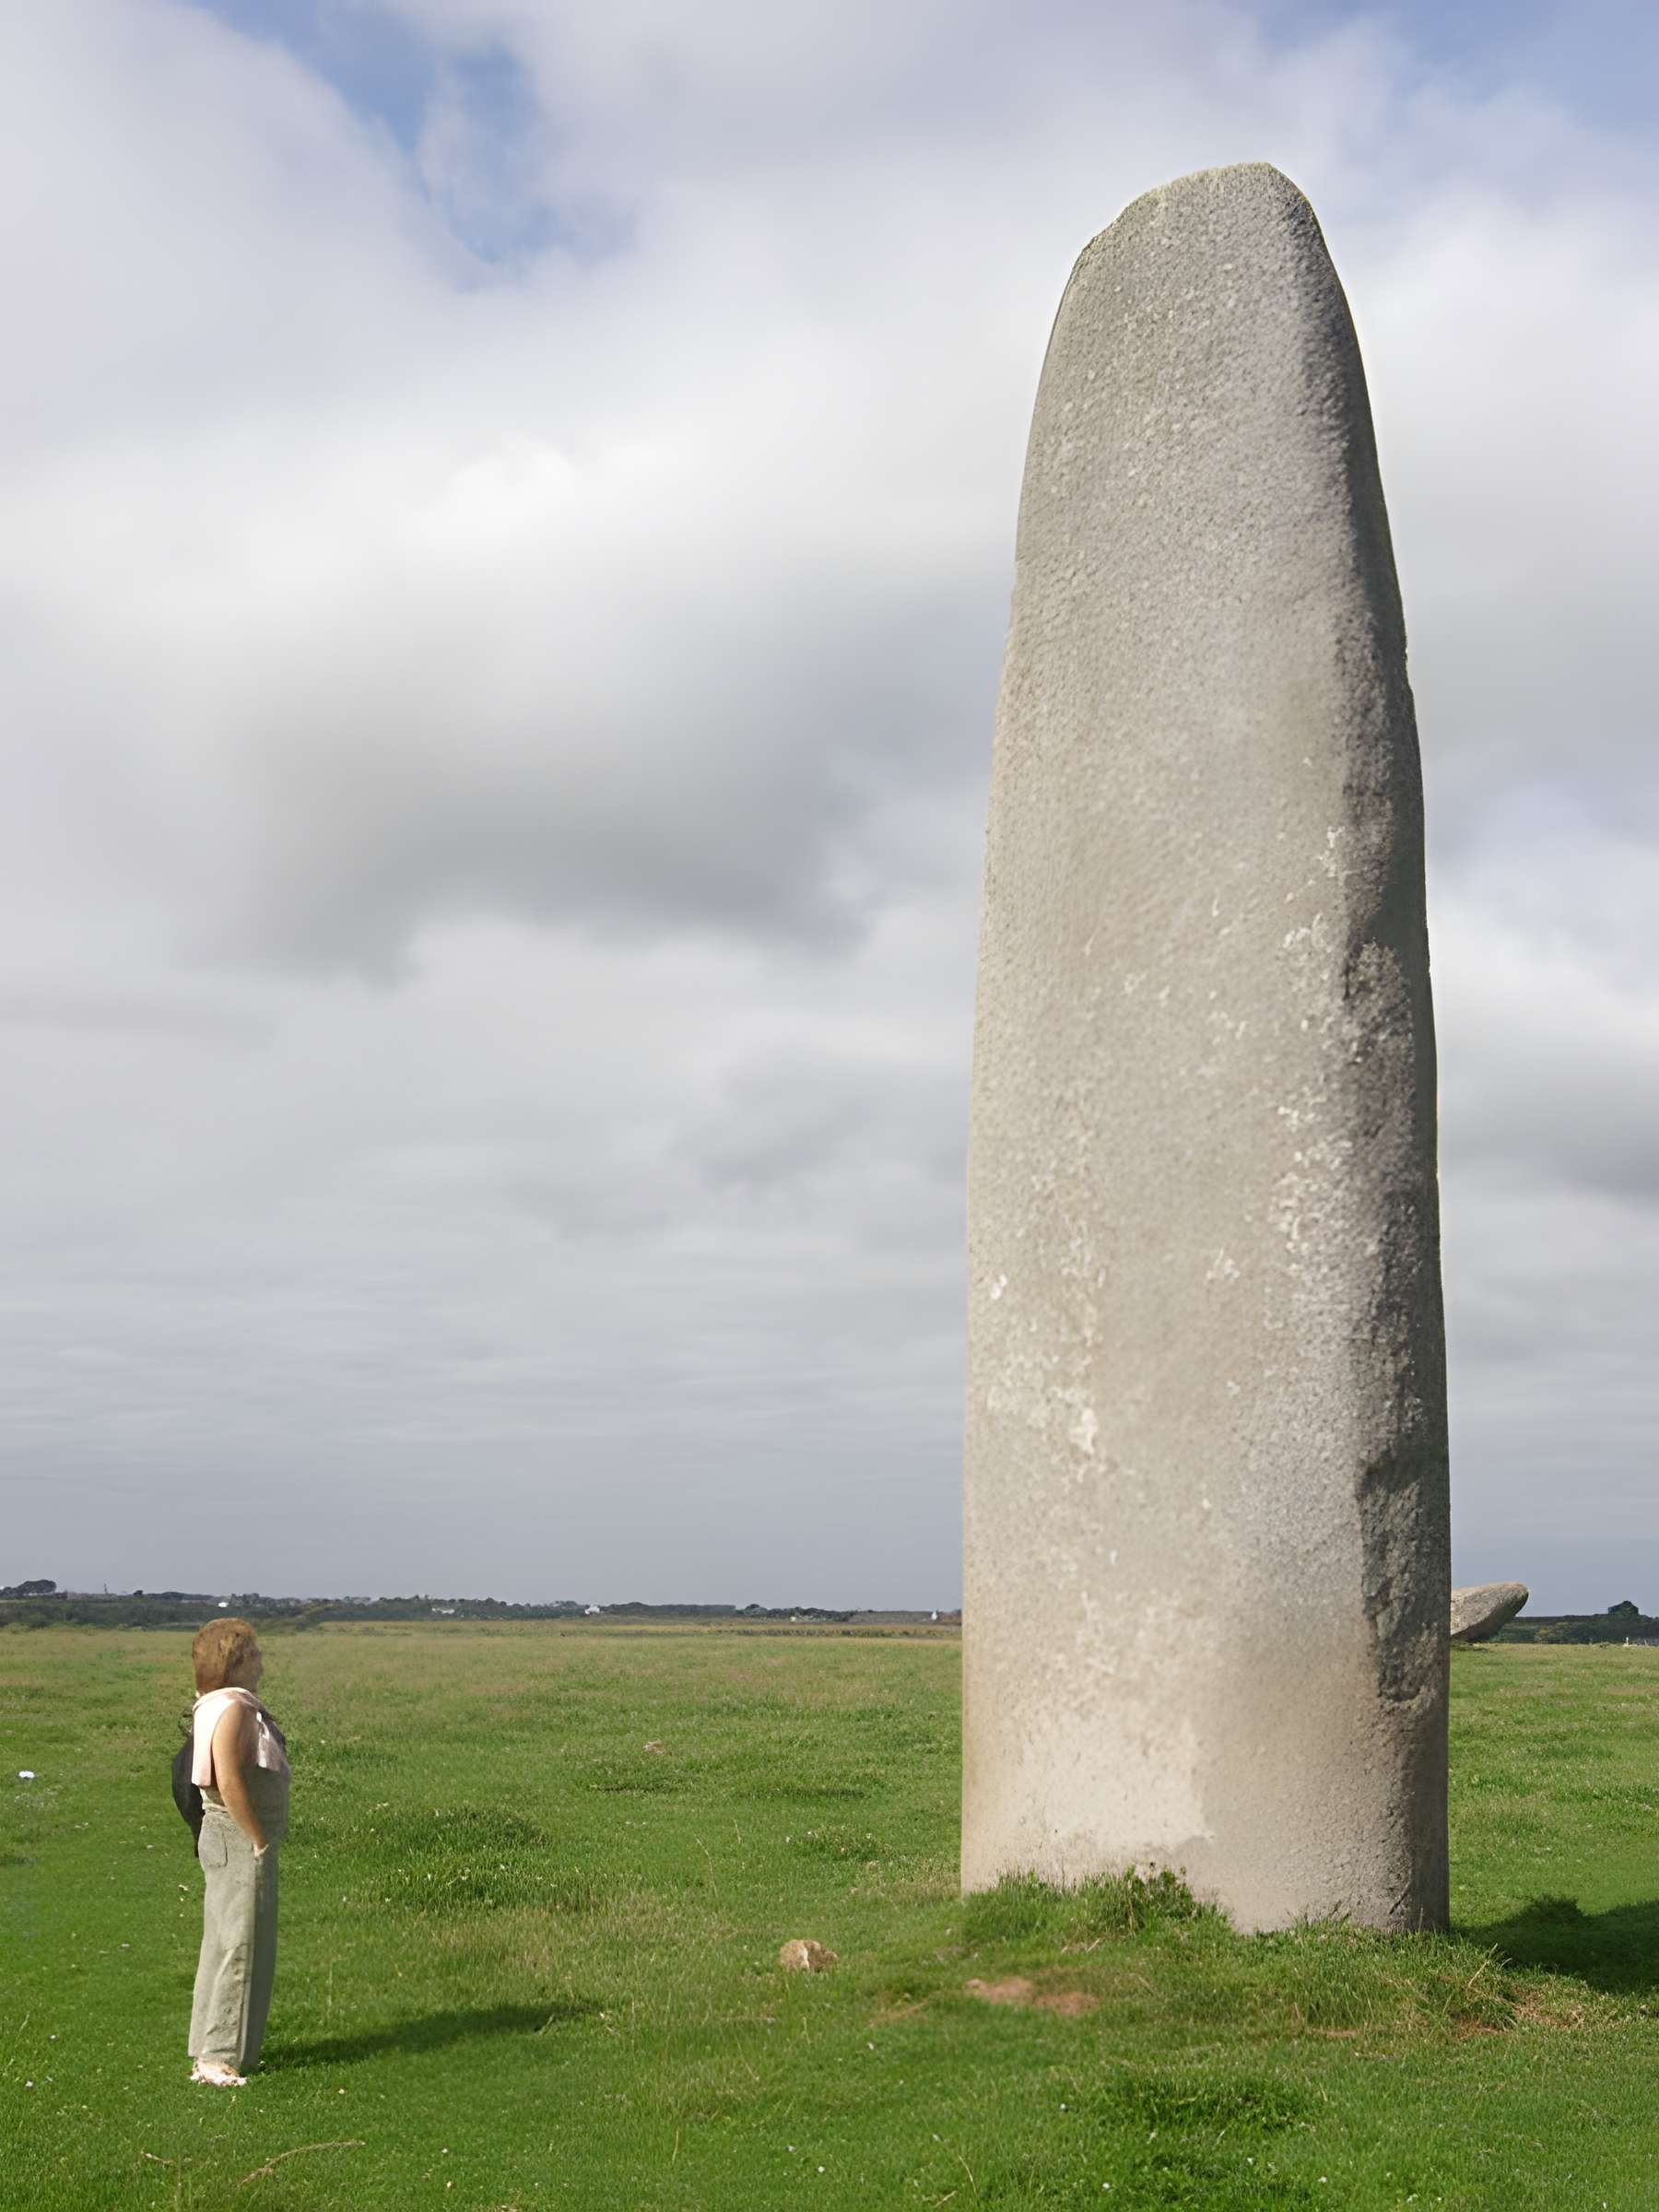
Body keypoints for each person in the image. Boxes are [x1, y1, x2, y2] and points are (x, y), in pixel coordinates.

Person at [185, 1618, 289, 2086]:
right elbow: (227, 1780)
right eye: (255, 1655)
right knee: (241, 1945)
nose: (262, 1662)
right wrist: (258, 1840)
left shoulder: (213, 1703)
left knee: (222, 1941)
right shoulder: (236, 1709)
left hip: (222, 1835)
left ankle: (209, 2049)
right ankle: (220, 2057)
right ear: (238, 1661)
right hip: (236, 1836)